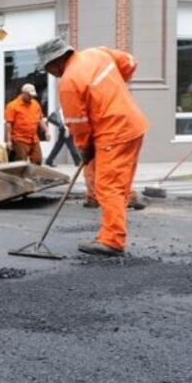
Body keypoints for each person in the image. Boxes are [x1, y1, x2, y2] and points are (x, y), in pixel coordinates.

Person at [36, 37, 149, 256]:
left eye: (48, 68)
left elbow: (78, 123)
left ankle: (112, 240)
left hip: (113, 132)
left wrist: (84, 148)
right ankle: (116, 226)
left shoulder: (68, 82)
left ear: (56, 61)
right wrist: (113, 90)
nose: (50, 73)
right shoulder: (97, 53)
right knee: (120, 184)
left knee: (107, 187)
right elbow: (129, 62)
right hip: (133, 125)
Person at [3, 83, 46, 164]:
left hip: (34, 139)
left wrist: (46, 130)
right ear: (23, 93)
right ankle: (19, 176)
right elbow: (8, 124)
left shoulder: (35, 104)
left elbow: (40, 119)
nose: (31, 97)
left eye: (32, 96)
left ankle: (34, 176)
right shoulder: (12, 106)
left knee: (38, 160)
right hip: (20, 139)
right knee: (21, 162)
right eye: (29, 95)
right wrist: (9, 140)